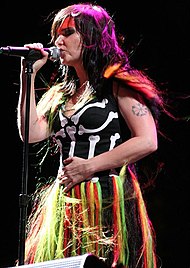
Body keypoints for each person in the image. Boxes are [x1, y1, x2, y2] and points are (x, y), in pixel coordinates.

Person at [17, 3, 167, 268]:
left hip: (108, 197)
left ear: (91, 38)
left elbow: (147, 140)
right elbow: (30, 133)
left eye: (67, 33)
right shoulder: (62, 94)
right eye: (55, 36)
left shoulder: (117, 82)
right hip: (67, 203)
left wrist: (89, 166)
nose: (57, 42)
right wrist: (28, 75)